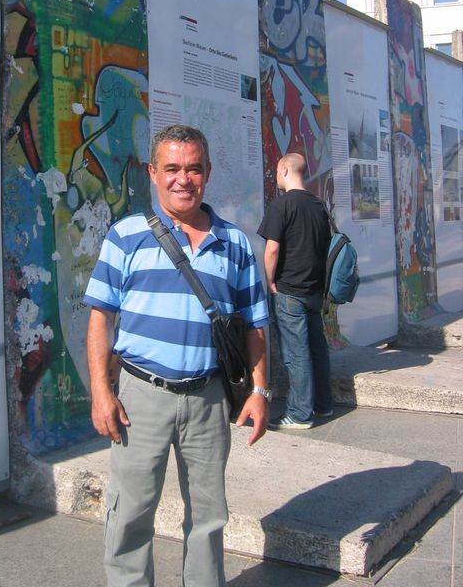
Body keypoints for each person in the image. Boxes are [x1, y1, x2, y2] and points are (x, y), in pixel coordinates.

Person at [84, 124, 270, 587]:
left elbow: (256, 324)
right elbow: (100, 321)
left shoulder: (236, 245)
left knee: (209, 517)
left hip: (208, 401)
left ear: (207, 172)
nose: (182, 178)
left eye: (192, 168)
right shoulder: (124, 237)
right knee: (131, 513)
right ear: (153, 172)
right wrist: (101, 394)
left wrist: (261, 390)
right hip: (140, 398)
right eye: (171, 168)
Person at [258, 152, 332, 430]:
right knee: (317, 348)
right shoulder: (319, 206)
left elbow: (272, 248)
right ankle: (323, 404)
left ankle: (300, 413)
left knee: (295, 353)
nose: (276, 177)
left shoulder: (282, 205)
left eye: (277, 172)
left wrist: (270, 282)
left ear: (285, 170)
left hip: (289, 290)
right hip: (314, 290)